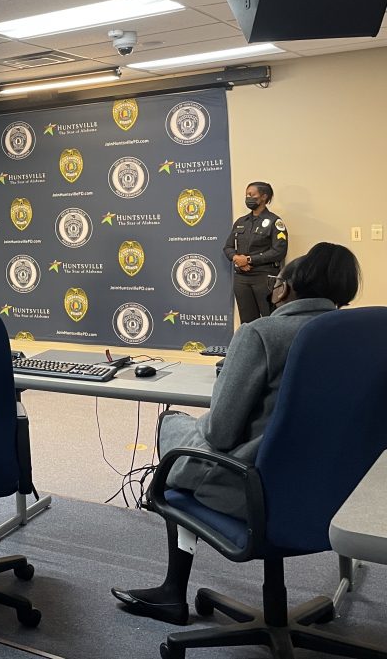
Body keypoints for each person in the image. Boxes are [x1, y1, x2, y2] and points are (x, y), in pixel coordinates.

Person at [111, 242, 360, 625]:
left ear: (286, 289)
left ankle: (172, 592)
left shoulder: (263, 333)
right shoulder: (360, 336)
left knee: (173, 426)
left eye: (277, 282)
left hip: (257, 493)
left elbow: (221, 433)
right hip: (337, 495)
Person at [223, 181, 288, 323]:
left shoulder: (274, 222)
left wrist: (249, 260)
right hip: (242, 278)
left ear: (264, 197)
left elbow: (279, 251)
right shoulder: (241, 221)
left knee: (270, 320)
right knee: (247, 323)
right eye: (247, 195)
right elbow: (227, 247)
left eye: (252, 195)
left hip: (264, 278)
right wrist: (236, 258)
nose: (248, 198)